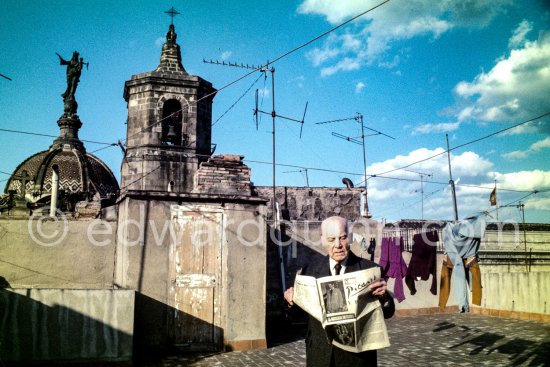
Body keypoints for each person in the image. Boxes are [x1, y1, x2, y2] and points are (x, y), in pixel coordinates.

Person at [284, 216, 395, 367]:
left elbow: (388, 313)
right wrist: (291, 302)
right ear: (322, 240)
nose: (338, 245)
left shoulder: (369, 269)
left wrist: (384, 296)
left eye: (342, 238)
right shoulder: (309, 270)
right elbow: (297, 316)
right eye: (331, 239)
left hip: (357, 358)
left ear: (349, 237)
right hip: (319, 355)